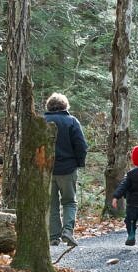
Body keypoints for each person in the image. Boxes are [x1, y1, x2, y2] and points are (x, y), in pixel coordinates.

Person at [44, 93, 88, 247]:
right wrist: (79, 163)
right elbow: (81, 145)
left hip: (47, 170)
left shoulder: (42, 121)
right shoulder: (72, 121)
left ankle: (54, 236)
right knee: (69, 202)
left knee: (52, 204)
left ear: (49, 106)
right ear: (65, 106)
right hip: (68, 169)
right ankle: (68, 231)